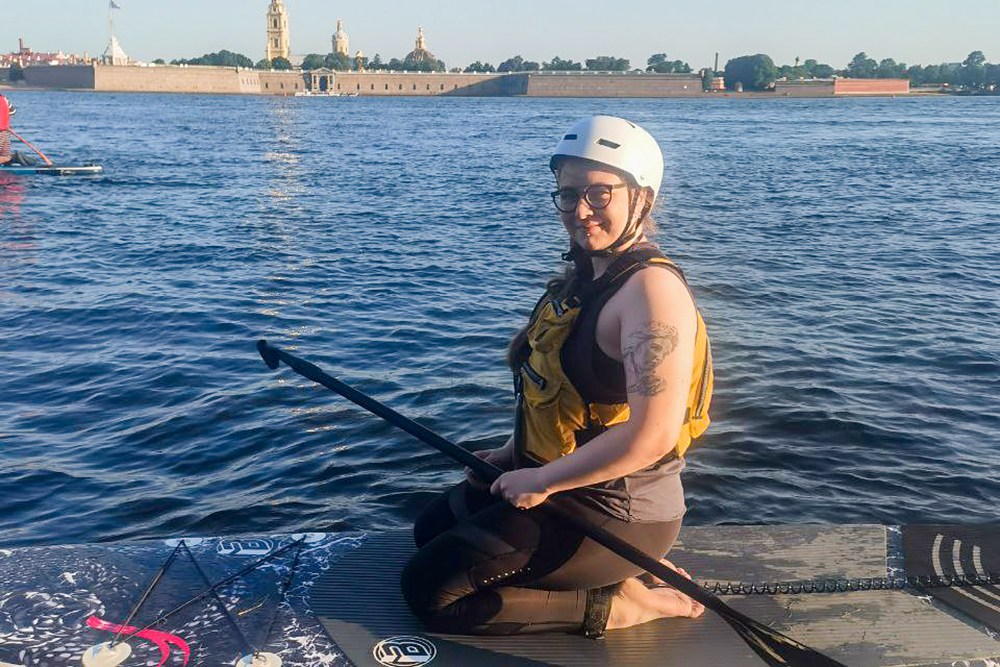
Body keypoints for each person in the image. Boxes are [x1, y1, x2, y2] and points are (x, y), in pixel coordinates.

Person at [401, 115, 714, 637]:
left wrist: (542, 481)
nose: (580, 211)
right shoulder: (585, 279)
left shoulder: (651, 294)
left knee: (431, 593)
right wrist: (509, 453)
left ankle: (625, 605)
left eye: (599, 193)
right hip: (562, 481)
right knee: (428, 531)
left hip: (616, 510)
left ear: (643, 199)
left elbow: (653, 435)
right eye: (568, 195)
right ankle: (614, 580)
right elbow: (557, 393)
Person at [0, 95, 13, 166]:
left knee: (4, 157)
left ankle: (14, 157)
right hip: (5, 132)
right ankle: (11, 158)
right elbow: (13, 112)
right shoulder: (5, 99)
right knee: (4, 155)